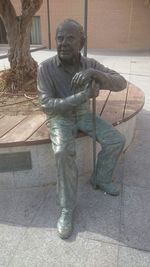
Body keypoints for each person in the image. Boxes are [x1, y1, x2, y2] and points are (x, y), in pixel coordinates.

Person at [37, 19, 127, 239]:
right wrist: (82, 96)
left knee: (116, 140)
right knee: (62, 152)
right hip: (60, 118)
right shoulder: (46, 68)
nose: (63, 43)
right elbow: (46, 105)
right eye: (60, 38)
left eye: (70, 38)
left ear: (82, 42)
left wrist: (96, 75)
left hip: (85, 115)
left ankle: (101, 178)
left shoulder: (90, 64)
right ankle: (66, 209)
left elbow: (121, 82)